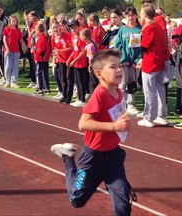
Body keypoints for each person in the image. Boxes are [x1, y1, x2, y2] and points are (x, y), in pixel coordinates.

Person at [51, 49, 135, 216]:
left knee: (122, 204)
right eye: (113, 67)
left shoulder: (117, 92)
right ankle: (67, 157)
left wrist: (122, 122)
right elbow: (83, 124)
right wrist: (114, 127)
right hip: (93, 158)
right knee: (76, 199)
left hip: (113, 157)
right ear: (99, 73)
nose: (119, 70)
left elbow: (115, 116)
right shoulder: (99, 95)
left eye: (119, 66)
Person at [137, 3, 167, 127]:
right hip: (159, 61)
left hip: (150, 62)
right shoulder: (158, 27)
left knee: (149, 91)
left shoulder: (149, 28)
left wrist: (140, 37)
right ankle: (161, 115)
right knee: (160, 89)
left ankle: (149, 117)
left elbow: (144, 46)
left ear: (144, 14)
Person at [114, 7, 142, 116]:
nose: (131, 17)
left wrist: (136, 61)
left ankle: (131, 104)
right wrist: (123, 59)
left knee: (132, 84)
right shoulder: (122, 29)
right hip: (124, 63)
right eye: (128, 15)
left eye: (133, 15)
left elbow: (142, 47)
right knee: (122, 84)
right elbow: (118, 45)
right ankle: (121, 105)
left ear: (136, 16)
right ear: (126, 16)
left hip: (135, 63)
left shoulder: (140, 29)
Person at [51, 22, 73, 104]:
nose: (55, 29)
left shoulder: (66, 35)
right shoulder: (53, 38)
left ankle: (69, 97)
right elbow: (54, 50)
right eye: (53, 28)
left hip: (68, 59)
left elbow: (71, 48)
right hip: (60, 60)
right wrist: (55, 59)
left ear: (59, 28)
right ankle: (64, 95)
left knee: (69, 78)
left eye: (56, 27)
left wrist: (60, 50)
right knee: (63, 78)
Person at [2, 15, 27, 88]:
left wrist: (24, 46)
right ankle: (7, 80)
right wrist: (7, 48)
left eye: (15, 21)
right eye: (12, 21)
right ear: (10, 21)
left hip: (16, 50)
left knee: (15, 66)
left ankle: (14, 81)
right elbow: (4, 39)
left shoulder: (18, 30)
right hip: (8, 50)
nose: (14, 23)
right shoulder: (7, 29)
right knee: (8, 66)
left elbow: (21, 39)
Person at [31, 22, 51, 95]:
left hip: (40, 57)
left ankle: (40, 88)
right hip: (45, 57)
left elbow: (41, 49)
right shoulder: (46, 36)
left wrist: (35, 50)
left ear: (38, 29)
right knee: (44, 73)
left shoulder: (41, 37)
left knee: (39, 73)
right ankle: (46, 87)